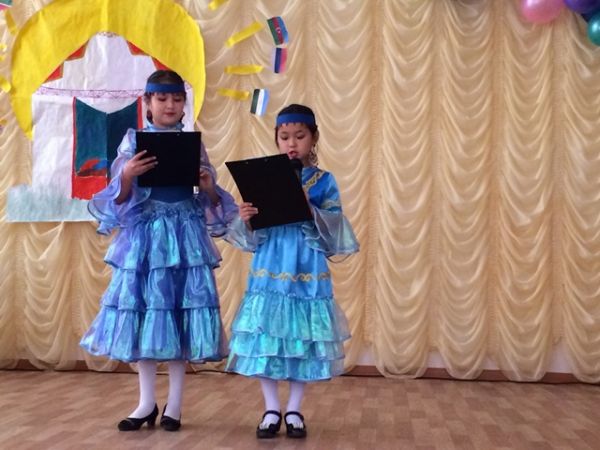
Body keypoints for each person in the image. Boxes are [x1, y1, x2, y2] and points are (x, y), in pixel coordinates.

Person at [80, 70, 237, 432]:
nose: (170, 105)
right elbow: (118, 199)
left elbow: (210, 201)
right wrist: (127, 174)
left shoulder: (193, 143)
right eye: (162, 98)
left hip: (184, 237)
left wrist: (207, 186)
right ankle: (146, 403)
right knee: (147, 314)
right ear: (147, 102)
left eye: (177, 99)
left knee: (179, 314)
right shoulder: (132, 141)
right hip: (145, 240)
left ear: (184, 104)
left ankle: (175, 406)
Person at [225, 104, 359, 439]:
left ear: (313, 138)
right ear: (276, 139)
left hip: (306, 262)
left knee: (303, 334)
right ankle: (271, 408)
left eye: (300, 136)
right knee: (267, 332)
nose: (292, 143)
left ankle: (295, 409)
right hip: (271, 262)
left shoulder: (324, 181)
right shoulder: (263, 177)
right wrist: (247, 218)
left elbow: (335, 227)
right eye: (284, 137)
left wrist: (309, 208)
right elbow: (251, 236)